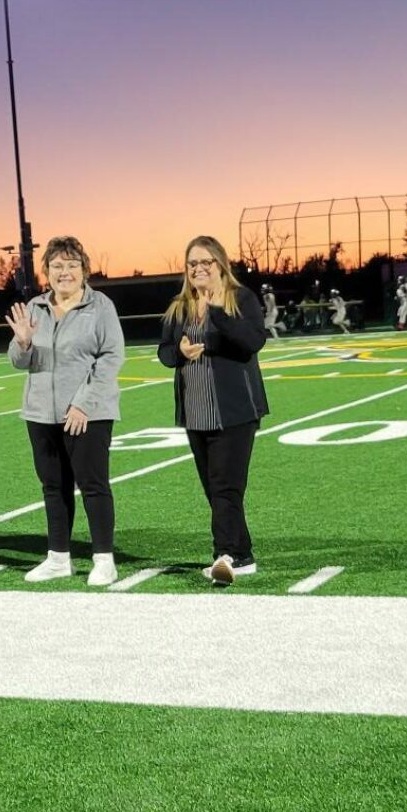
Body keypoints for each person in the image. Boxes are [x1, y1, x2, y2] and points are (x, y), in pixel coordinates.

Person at [6, 236, 125, 586]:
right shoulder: (34, 307)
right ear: (46, 272)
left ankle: (104, 559)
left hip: (89, 413)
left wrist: (82, 403)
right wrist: (23, 342)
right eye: (57, 265)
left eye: (72, 265)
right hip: (41, 413)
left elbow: (111, 357)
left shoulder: (100, 306)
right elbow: (18, 361)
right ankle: (58, 557)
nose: (65, 272)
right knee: (53, 487)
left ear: (84, 270)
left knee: (93, 485)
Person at [158, 235, 268, 584]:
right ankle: (244, 554)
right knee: (216, 489)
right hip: (195, 413)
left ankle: (224, 555)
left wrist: (217, 313)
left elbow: (253, 342)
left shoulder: (240, 298)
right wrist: (179, 353)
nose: (198, 269)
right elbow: (163, 352)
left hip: (234, 412)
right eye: (192, 263)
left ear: (220, 264)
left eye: (205, 262)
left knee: (225, 487)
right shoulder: (179, 306)